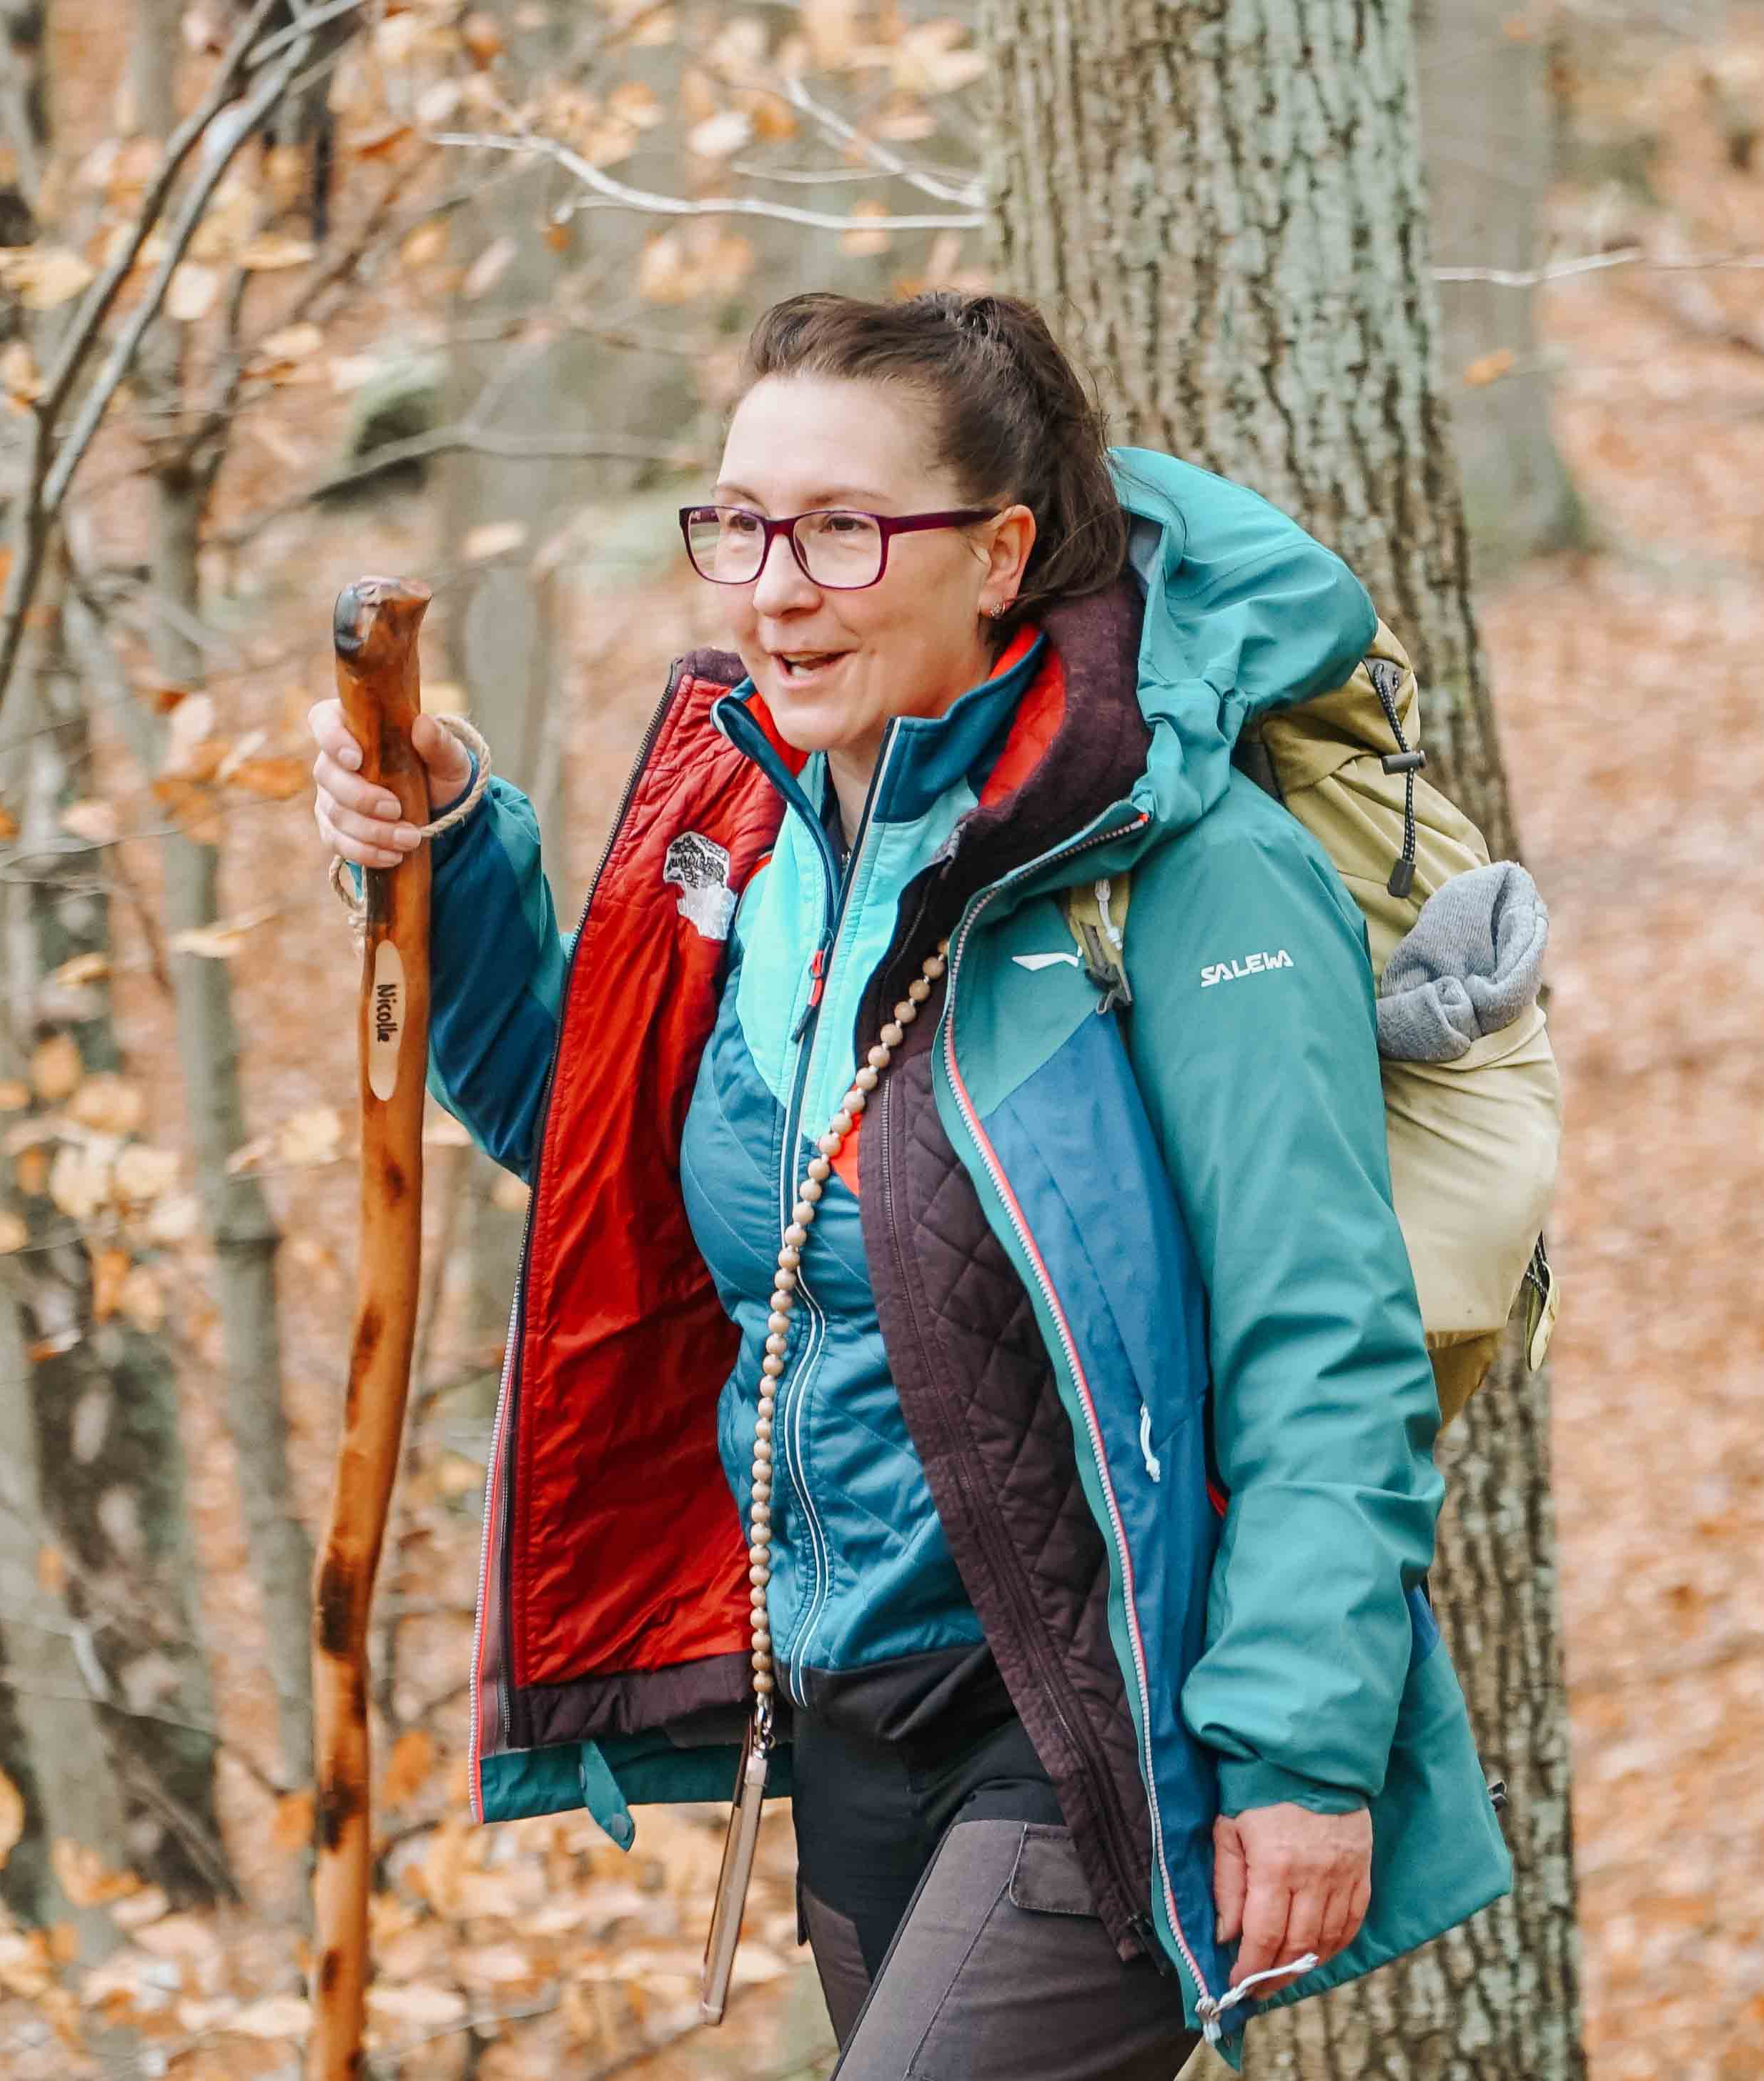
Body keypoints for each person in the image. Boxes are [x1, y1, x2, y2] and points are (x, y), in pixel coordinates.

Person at [310, 290, 1509, 2077]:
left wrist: (1304, 1753)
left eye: (845, 529)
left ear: (1001, 552)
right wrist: (456, 842)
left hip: (1100, 1711)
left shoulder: (1184, 880)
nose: (775, 584)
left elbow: (1319, 1336)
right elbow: (601, 1142)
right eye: (740, 522)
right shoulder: (750, 826)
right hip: (855, 1718)